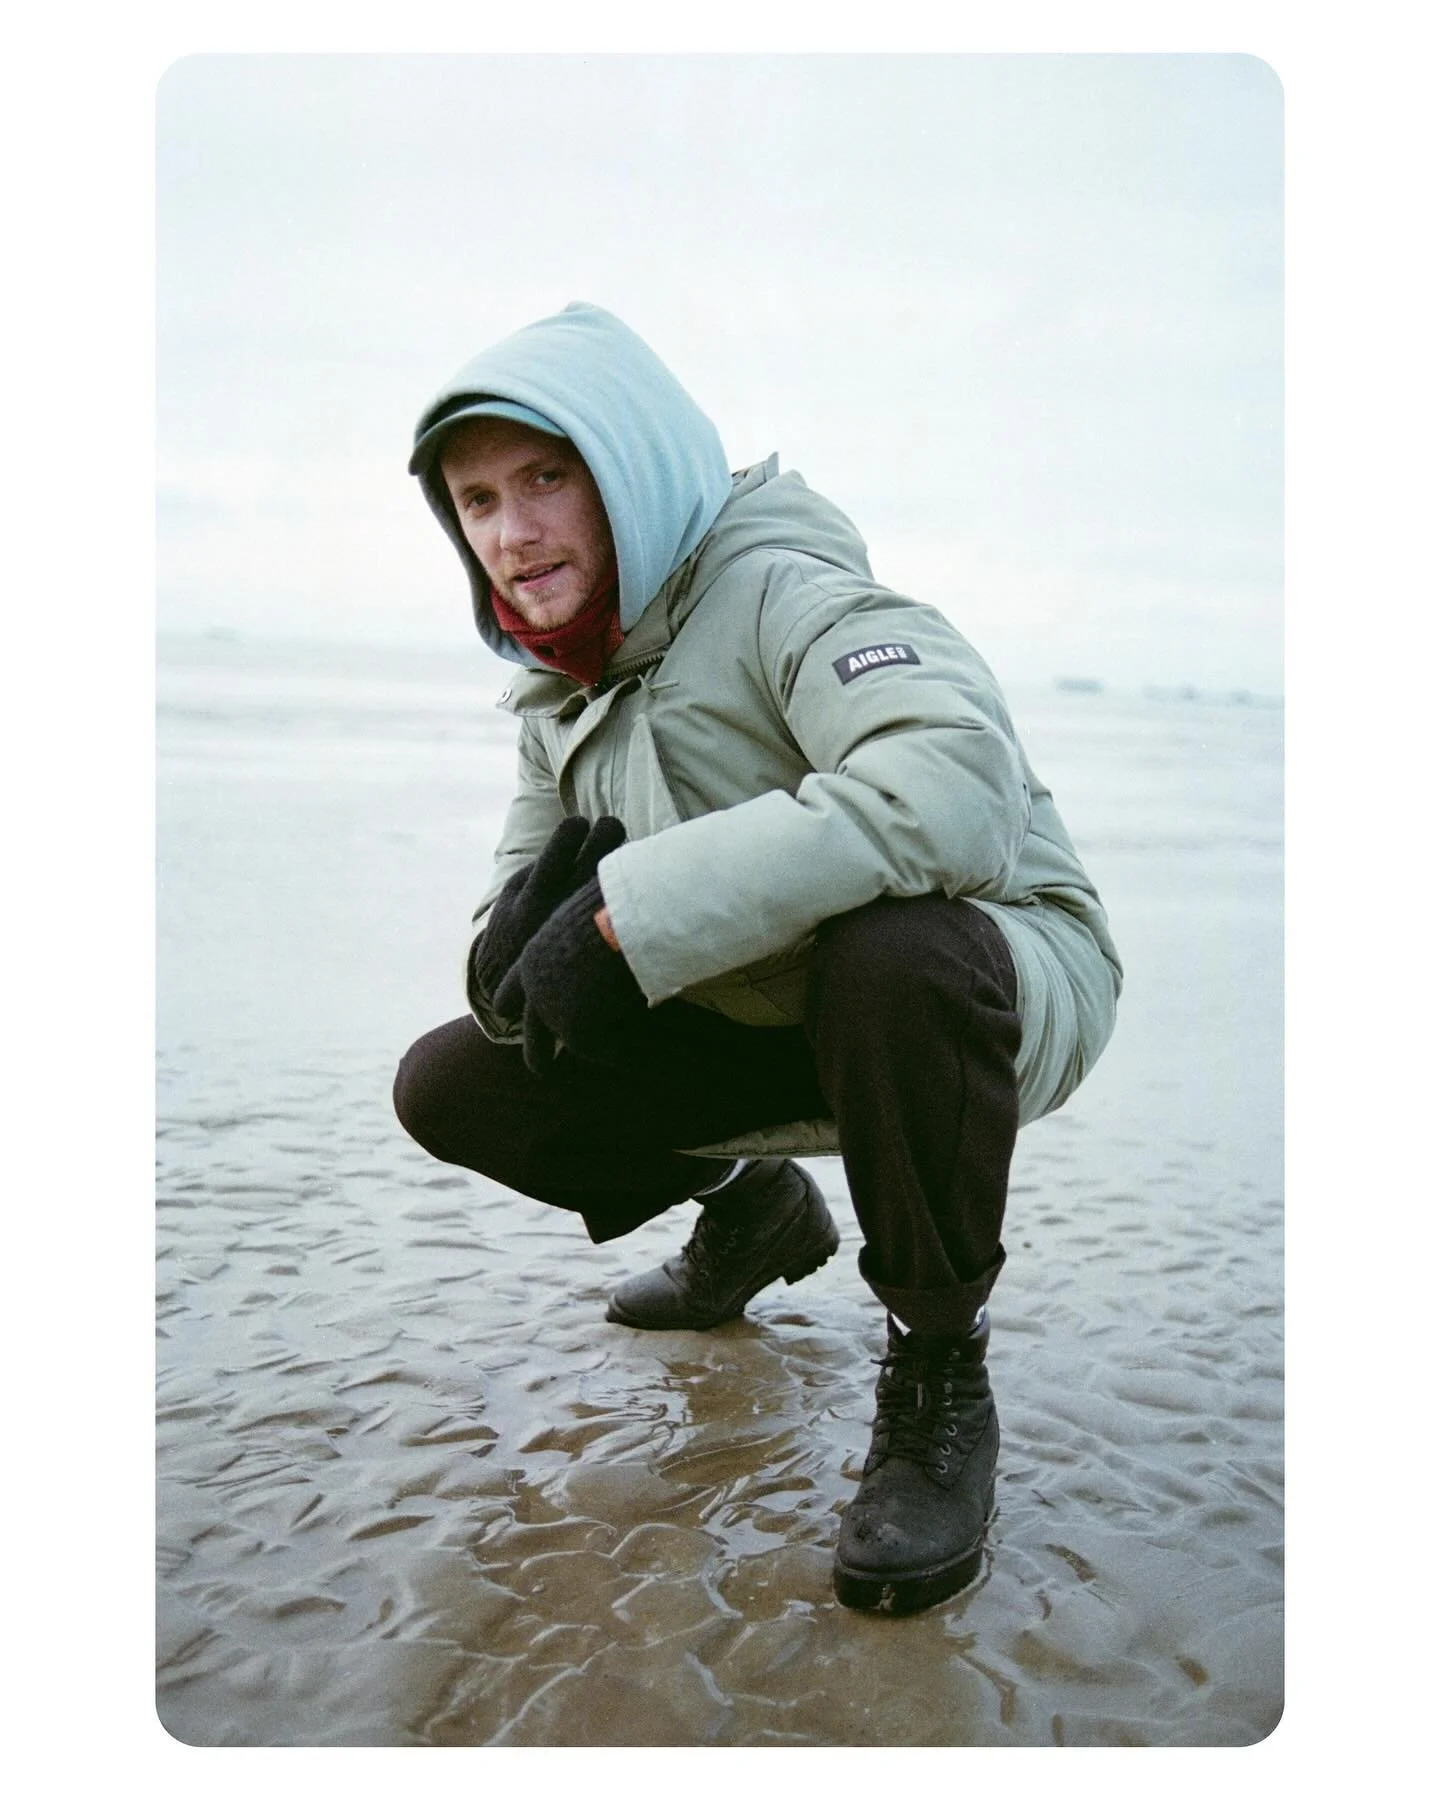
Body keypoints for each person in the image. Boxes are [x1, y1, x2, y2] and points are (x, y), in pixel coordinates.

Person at [393, 302, 1122, 1616]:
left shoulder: (791, 591)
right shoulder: (556, 698)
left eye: (547, 479)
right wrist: (516, 944)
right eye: (479, 499)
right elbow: (514, 938)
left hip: (982, 982)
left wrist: (629, 915)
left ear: (629, 469)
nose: (513, 530)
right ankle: (751, 1207)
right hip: (776, 1011)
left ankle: (938, 1381)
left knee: (890, 956)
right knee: (453, 1080)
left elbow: (952, 785)